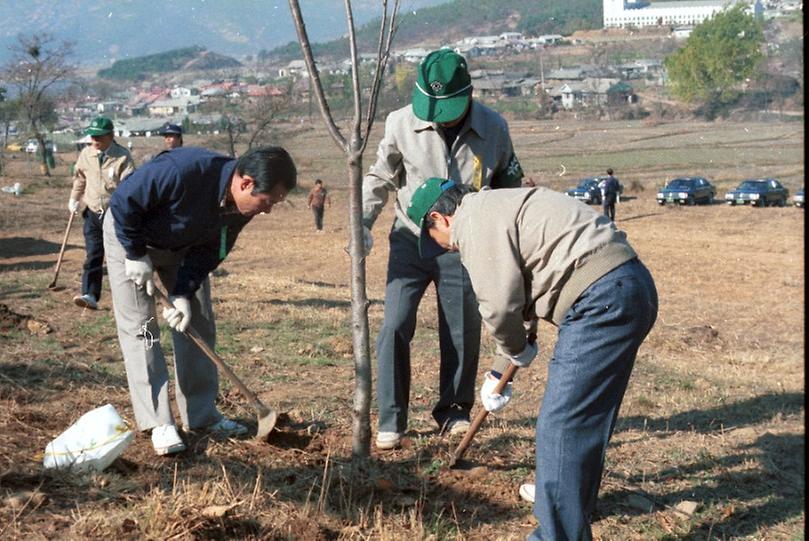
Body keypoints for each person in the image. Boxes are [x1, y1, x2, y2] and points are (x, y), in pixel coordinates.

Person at [407, 178, 658, 541]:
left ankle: (557, 532)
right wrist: (499, 368)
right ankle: (568, 508)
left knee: (562, 425)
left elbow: (497, 305)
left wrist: (514, 351)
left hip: (602, 298)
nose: (442, 249)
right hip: (629, 286)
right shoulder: (498, 206)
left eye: (431, 238)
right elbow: (520, 295)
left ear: (440, 218)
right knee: (584, 420)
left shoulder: (472, 221)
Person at [362, 48, 525, 450]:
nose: (436, 116)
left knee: (462, 330)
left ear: (468, 96)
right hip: (410, 238)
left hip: (463, 243)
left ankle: (454, 410)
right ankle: (391, 419)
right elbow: (381, 174)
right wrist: (361, 223)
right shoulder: (400, 122)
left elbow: (510, 186)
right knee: (396, 322)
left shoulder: (494, 127)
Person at [103, 146, 297, 456]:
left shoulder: (241, 207)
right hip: (130, 235)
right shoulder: (184, 170)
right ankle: (159, 421)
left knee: (197, 319)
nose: (269, 209)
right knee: (144, 330)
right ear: (246, 183)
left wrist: (182, 292)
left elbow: (212, 250)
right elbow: (125, 200)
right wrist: (135, 253)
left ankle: (202, 415)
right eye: (268, 201)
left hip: (182, 249)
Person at [68, 116, 135, 310]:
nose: (95, 141)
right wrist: (74, 198)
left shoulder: (122, 156)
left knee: (120, 256)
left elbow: (130, 186)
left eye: (99, 137)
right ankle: (90, 294)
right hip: (92, 213)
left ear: (111, 136)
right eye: (92, 137)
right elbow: (80, 179)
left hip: (114, 214)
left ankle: (127, 297)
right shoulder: (86, 154)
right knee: (93, 255)